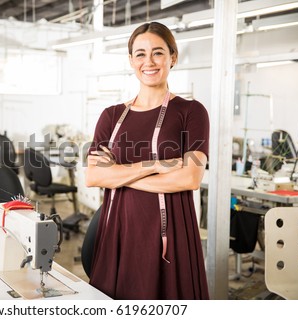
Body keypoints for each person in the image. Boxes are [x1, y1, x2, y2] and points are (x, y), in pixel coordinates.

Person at [85, 22, 210, 300]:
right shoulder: (111, 115)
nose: (149, 62)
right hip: (118, 228)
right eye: (140, 54)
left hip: (170, 231)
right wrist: (155, 165)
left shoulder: (191, 112)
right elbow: (94, 177)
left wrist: (116, 173)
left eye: (158, 53)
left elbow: (189, 178)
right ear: (131, 60)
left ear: (172, 57)